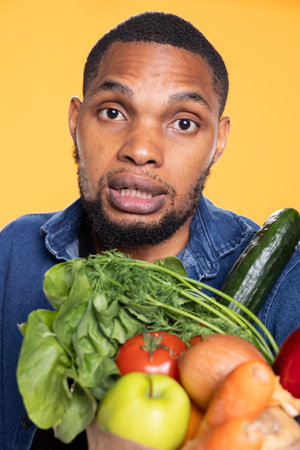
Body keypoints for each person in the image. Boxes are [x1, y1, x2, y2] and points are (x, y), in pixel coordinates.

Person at [0, 11, 299, 450]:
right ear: (75, 121)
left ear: (219, 141)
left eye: (183, 122)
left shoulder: (288, 281)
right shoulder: (13, 253)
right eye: (113, 111)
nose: (140, 150)